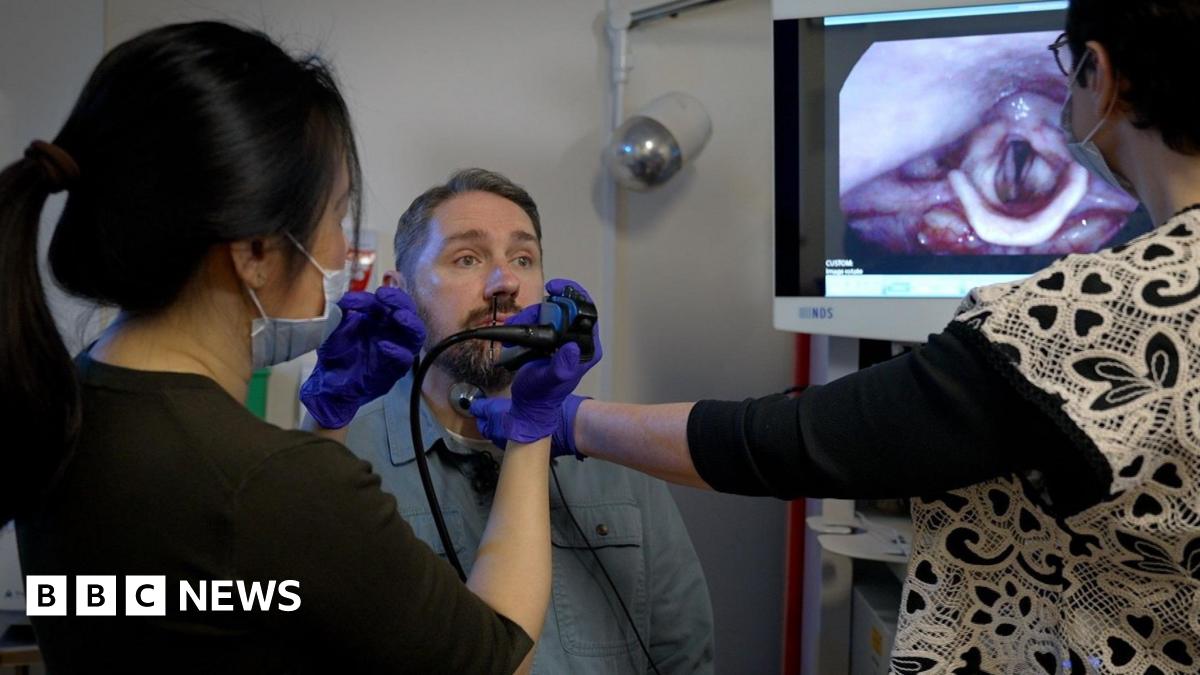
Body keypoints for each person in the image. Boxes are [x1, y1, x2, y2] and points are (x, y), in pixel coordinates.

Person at [473, 1, 1200, 672]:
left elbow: (798, 440)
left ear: (1099, 75)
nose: (501, 283)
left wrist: (569, 420)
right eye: (465, 257)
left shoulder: (1087, 316)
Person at [1, 22, 591, 674]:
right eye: (335, 216)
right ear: (254, 251)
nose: (341, 250)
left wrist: (326, 421)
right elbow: (498, 657)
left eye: (521, 256)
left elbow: (254, 599)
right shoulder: (267, 482)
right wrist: (533, 428)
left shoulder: (67, 406)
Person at [341, 168, 714, 674]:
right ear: (398, 290)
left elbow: (682, 651)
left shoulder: (611, 451)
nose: (505, 283)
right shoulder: (344, 459)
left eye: (523, 258)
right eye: (467, 258)